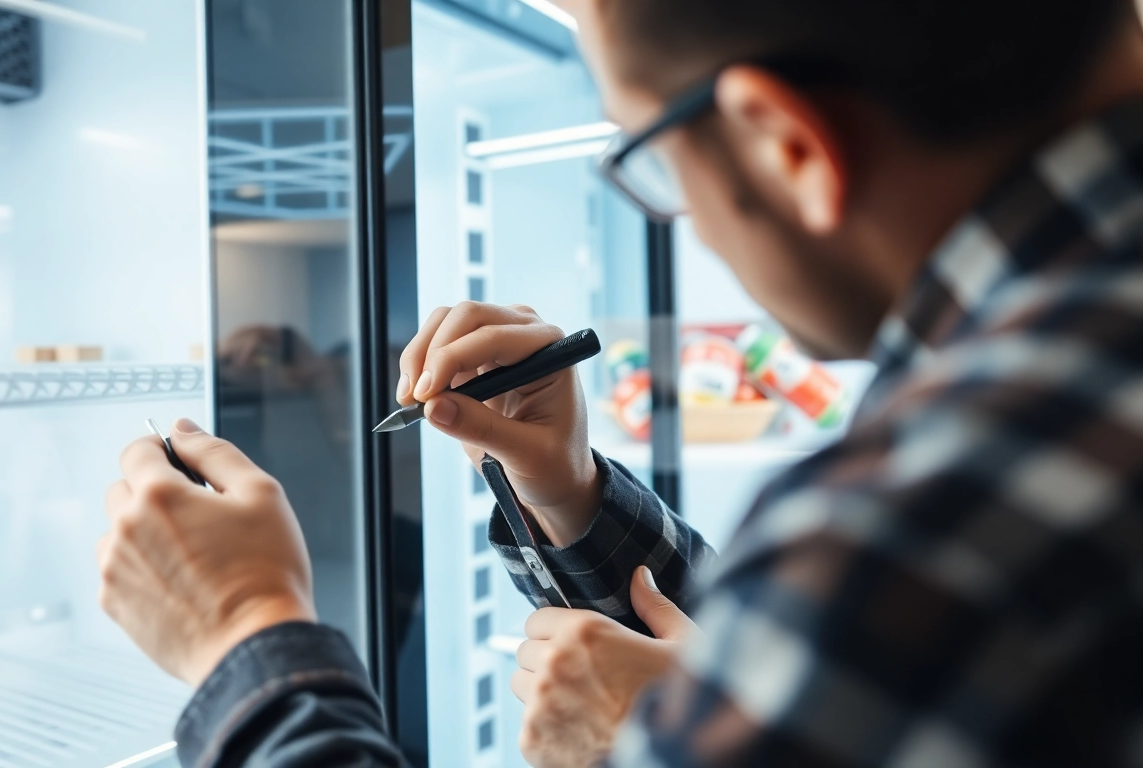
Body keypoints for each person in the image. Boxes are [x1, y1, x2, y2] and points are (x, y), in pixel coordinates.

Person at [96, 0, 1143, 764]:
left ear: (785, 143)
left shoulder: (946, 505)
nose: (677, 211)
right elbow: (861, 657)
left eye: (652, 156)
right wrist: (565, 492)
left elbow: (874, 605)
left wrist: (245, 629)